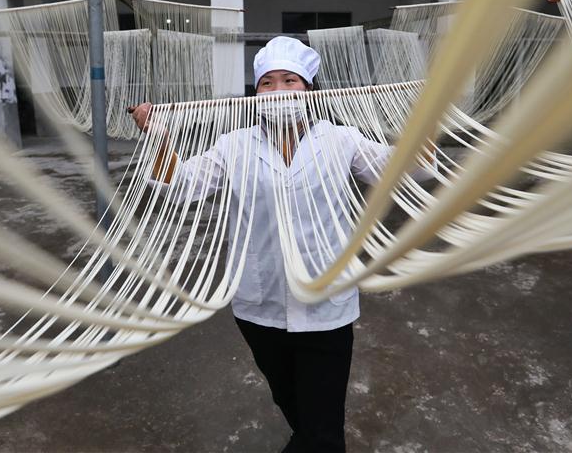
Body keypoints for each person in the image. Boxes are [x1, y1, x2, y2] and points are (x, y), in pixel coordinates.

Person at [128, 36, 436, 453]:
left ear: (309, 90)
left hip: (326, 306)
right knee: (289, 400)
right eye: (267, 83)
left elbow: (406, 169)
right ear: (255, 92)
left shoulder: (340, 140)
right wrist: (157, 135)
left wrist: (428, 116)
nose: (277, 92)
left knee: (324, 429)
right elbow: (179, 185)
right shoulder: (234, 146)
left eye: (289, 81)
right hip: (260, 306)